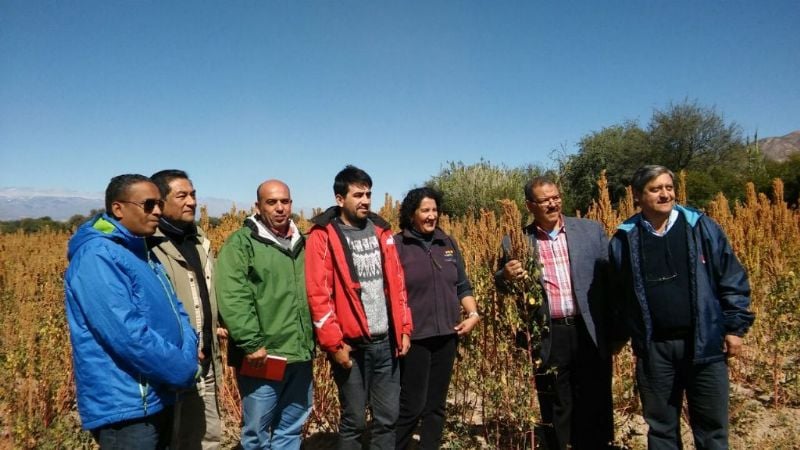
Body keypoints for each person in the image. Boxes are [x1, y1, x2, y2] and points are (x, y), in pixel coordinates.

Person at [609, 165, 755, 449]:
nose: (665, 194)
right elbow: (618, 296)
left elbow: (731, 277)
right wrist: (621, 336)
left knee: (711, 427)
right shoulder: (625, 239)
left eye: (668, 187)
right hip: (655, 350)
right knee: (661, 428)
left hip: (704, 343)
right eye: (656, 189)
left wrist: (735, 327)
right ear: (638, 195)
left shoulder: (701, 227)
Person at [64, 174, 199, 449]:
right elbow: (127, 336)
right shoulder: (97, 256)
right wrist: (182, 367)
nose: (158, 211)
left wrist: (188, 348)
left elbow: (177, 310)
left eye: (159, 204)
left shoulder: (140, 251)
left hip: (158, 394)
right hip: (127, 406)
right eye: (148, 205)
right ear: (118, 208)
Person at [495, 177, 614, 450]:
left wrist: (615, 329)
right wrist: (505, 275)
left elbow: (610, 280)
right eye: (545, 200)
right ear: (530, 205)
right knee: (556, 400)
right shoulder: (515, 240)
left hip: (588, 328)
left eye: (556, 197)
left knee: (593, 396)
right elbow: (501, 284)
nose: (553, 203)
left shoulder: (590, 231)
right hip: (549, 332)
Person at [305, 165, 413, 450]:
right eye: (358, 195)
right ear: (340, 199)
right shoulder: (323, 235)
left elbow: (397, 283)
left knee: (387, 418)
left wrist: (403, 329)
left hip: (386, 342)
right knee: (354, 421)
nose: (365, 200)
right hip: (350, 345)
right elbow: (318, 293)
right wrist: (333, 343)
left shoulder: (381, 230)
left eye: (368, 194)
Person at [216, 179, 315, 450]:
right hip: (263, 356)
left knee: (291, 428)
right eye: (272, 202)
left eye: (285, 201)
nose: (280, 208)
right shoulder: (242, 243)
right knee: (257, 432)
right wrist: (251, 342)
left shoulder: (303, 242)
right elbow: (233, 295)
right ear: (257, 206)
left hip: (300, 353)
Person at [394, 187, 480, 450]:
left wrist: (473, 313)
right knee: (412, 405)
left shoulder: (448, 243)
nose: (432, 216)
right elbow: (392, 292)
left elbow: (462, 285)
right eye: (425, 210)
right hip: (415, 337)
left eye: (435, 210)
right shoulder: (398, 245)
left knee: (436, 405)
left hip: (447, 335)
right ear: (412, 214)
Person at [148, 170, 223, 449]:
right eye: (181, 196)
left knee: (208, 436)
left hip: (206, 359)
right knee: (173, 439)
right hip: (171, 364)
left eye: (193, 195)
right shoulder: (148, 245)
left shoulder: (199, 241)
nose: (191, 201)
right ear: (160, 202)